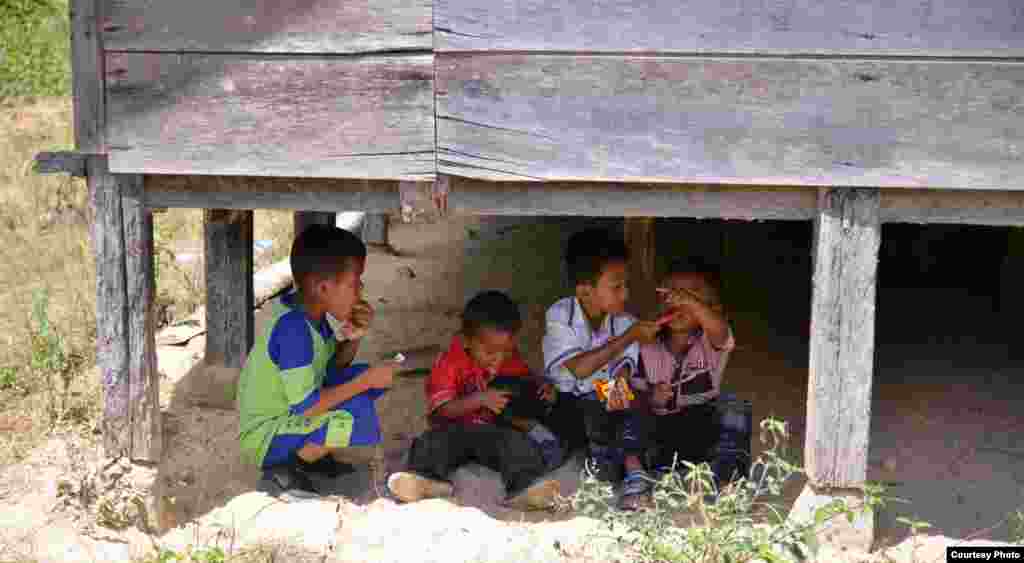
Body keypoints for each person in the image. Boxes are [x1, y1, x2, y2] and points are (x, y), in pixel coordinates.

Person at [237, 224, 401, 498]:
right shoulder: (293, 330)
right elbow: (307, 406)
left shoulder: (312, 315)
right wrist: (365, 382)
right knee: (354, 409)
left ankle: (311, 459)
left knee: (359, 381)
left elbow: (330, 370)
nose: (361, 290)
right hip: (266, 436)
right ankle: (287, 470)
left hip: (287, 415)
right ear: (323, 287)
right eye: (354, 283)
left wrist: (354, 336)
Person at [386, 291, 565, 511]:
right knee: (429, 443)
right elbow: (443, 410)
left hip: (494, 433)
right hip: (454, 431)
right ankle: (425, 481)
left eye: (506, 352)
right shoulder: (450, 361)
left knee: (517, 445)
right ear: (466, 340)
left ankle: (525, 488)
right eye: (490, 352)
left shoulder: (507, 357)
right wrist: (480, 399)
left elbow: (526, 380)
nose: (498, 359)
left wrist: (543, 387)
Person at [618, 257, 750, 510]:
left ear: (713, 308)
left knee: (734, 406)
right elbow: (613, 392)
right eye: (672, 293)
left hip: (699, 436)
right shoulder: (641, 341)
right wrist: (648, 398)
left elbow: (720, 330)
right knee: (618, 409)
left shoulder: (712, 342)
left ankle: (727, 482)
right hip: (654, 440)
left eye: (691, 295)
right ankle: (636, 481)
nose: (679, 302)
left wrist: (692, 303)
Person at [542, 228, 665, 483]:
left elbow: (624, 366)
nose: (626, 294)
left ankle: (631, 463)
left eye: (626, 285)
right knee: (594, 411)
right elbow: (580, 369)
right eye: (617, 287)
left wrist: (620, 382)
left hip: (602, 393)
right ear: (585, 292)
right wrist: (629, 337)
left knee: (639, 402)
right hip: (569, 401)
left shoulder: (624, 321)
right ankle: (610, 464)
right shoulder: (560, 315)